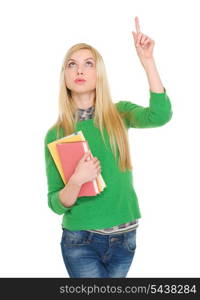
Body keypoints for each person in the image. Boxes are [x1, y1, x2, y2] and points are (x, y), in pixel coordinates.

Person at [44, 17, 173, 278]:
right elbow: (57, 203)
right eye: (72, 64)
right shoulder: (56, 134)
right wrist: (78, 180)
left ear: (98, 73)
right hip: (81, 241)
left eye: (88, 64)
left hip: (125, 238)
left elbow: (160, 115)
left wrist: (147, 61)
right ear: (65, 75)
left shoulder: (119, 114)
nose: (79, 70)